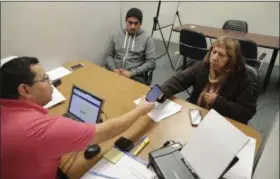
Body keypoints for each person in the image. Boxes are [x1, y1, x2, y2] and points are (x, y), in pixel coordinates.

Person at [0, 57, 155, 179]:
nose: (51, 82)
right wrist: (140, 109)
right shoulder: (42, 129)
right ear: (25, 90)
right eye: (45, 78)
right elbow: (107, 131)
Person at [158, 36, 257, 124]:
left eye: (221, 55)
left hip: (221, 122)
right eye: (214, 52)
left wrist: (219, 102)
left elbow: (247, 112)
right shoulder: (203, 67)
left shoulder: (240, 78)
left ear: (231, 60)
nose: (214, 58)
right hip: (196, 115)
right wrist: (156, 94)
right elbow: (178, 80)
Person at [105, 7, 156, 85]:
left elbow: (151, 63)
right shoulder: (116, 35)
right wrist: (113, 69)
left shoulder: (147, 39)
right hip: (115, 72)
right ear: (126, 21)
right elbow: (109, 55)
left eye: (136, 23)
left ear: (141, 23)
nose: (133, 26)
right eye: (130, 22)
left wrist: (132, 73)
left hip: (134, 76)